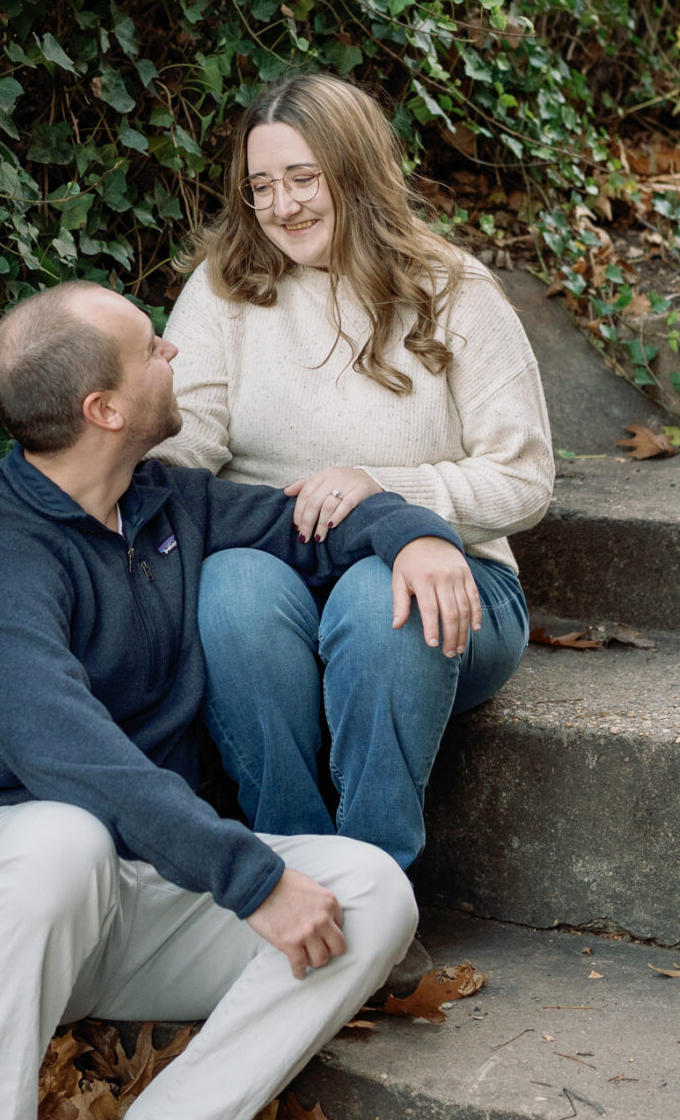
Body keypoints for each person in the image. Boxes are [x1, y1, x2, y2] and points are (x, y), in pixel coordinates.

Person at [0, 279, 474, 1120]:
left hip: (135, 895)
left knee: (372, 891)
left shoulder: (169, 504)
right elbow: (68, 754)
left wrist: (414, 539)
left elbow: (315, 521)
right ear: (104, 408)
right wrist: (248, 876)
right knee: (61, 831)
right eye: (149, 347)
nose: (171, 349)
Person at [155, 73, 553, 911]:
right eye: (261, 186)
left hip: (452, 585)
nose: (282, 206)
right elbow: (181, 445)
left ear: (356, 170)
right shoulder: (225, 290)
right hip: (276, 573)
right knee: (228, 588)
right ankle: (295, 884)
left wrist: (387, 492)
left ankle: (377, 895)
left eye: (303, 178)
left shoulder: (454, 291)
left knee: (381, 596)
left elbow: (524, 478)